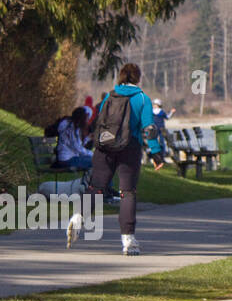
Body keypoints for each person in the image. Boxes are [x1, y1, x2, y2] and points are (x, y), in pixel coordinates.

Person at [89, 63, 161, 255]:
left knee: (96, 188)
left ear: (120, 76)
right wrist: (155, 153)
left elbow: (99, 121)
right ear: (138, 78)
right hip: (129, 148)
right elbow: (150, 129)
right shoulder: (142, 98)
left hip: (104, 148)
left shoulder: (110, 96)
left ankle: (78, 218)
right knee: (127, 192)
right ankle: (127, 239)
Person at [54, 107, 94, 171]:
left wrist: (87, 139)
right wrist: (92, 154)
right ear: (81, 118)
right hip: (66, 160)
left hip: (72, 158)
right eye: (86, 119)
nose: (87, 121)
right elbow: (77, 148)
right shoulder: (69, 128)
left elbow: (77, 145)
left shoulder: (75, 127)